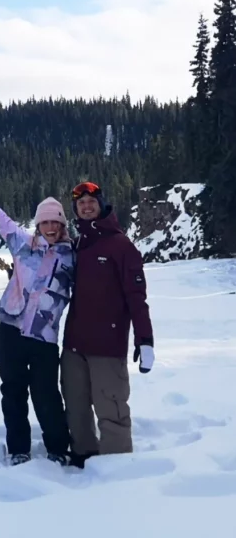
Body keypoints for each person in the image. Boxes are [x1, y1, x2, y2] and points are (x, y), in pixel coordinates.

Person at [0, 188, 74, 466]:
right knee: (13, 392)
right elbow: (1, 221)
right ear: (38, 224)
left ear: (63, 225)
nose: (50, 228)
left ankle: (57, 448)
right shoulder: (23, 244)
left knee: (47, 395)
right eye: (45, 222)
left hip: (45, 339)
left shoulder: (72, 257)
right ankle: (18, 449)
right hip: (10, 332)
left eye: (55, 222)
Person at [62, 181, 154, 466]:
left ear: (101, 204)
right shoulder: (77, 245)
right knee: (75, 406)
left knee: (110, 407)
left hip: (107, 345)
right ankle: (83, 455)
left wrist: (145, 340)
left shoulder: (120, 245)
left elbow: (136, 297)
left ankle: (116, 467)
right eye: (80, 204)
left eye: (91, 201)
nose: (86, 206)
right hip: (74, 344)